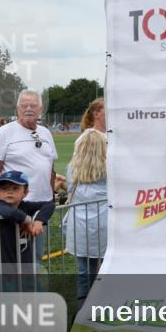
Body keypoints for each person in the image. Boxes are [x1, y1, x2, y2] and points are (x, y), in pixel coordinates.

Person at [0, 91, 58, 264]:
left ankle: (31, 291)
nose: (28, 109)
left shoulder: (46, 133)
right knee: (11, 265)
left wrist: (51, 197)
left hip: (40, 210)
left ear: (40, 109)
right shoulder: (3, 133)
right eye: (24, 105)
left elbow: (50, 169)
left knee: (34, 261)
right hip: (13, 211)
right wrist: (9, 206)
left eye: (33, 105)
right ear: (17, 108)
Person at [63, 130, 108, 306]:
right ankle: (104, 303)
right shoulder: (110, 167)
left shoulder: (73, 167)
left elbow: (69, 189)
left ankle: (83, 304)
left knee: (84, 269)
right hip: (105, 219)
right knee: (106, 266)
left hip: (79, 221)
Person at [0, 170, 55, 271]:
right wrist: (28, 221)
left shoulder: (24, 206)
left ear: (25, 192)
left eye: (15, 188)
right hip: (4, 264)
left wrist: (39, 221)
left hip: (25, 261)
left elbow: (50, 205)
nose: (9, 191)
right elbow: (9, 212)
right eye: (4, 188)